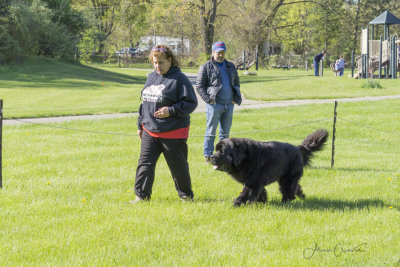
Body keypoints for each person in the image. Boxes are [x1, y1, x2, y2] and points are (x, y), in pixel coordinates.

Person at [132, 44, 198, 203]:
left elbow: (191, 103)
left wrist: (172, 110)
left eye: (161, 62)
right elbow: (145, 103)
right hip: (150, 130)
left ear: (170, 61)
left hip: (173, 131)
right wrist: (140, 124)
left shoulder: (179, 79)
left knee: (178, 167)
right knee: (145, 165)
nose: (157, 66)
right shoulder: (151, 77)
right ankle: (141, 196)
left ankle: (186, 196)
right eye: (154, 62)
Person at [196, 41, 242, 162]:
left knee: (225, 133)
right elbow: (199, 86)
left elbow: (236, 83)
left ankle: (223, 155)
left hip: (229, 105)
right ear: (213, 52)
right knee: (211, 131)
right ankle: (208, 155)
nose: (221, 55)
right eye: (218, 53)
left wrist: (235, 99)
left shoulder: (231, 66)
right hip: (214, 105)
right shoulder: (206, 66)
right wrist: (208, 100)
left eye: (223, 53)